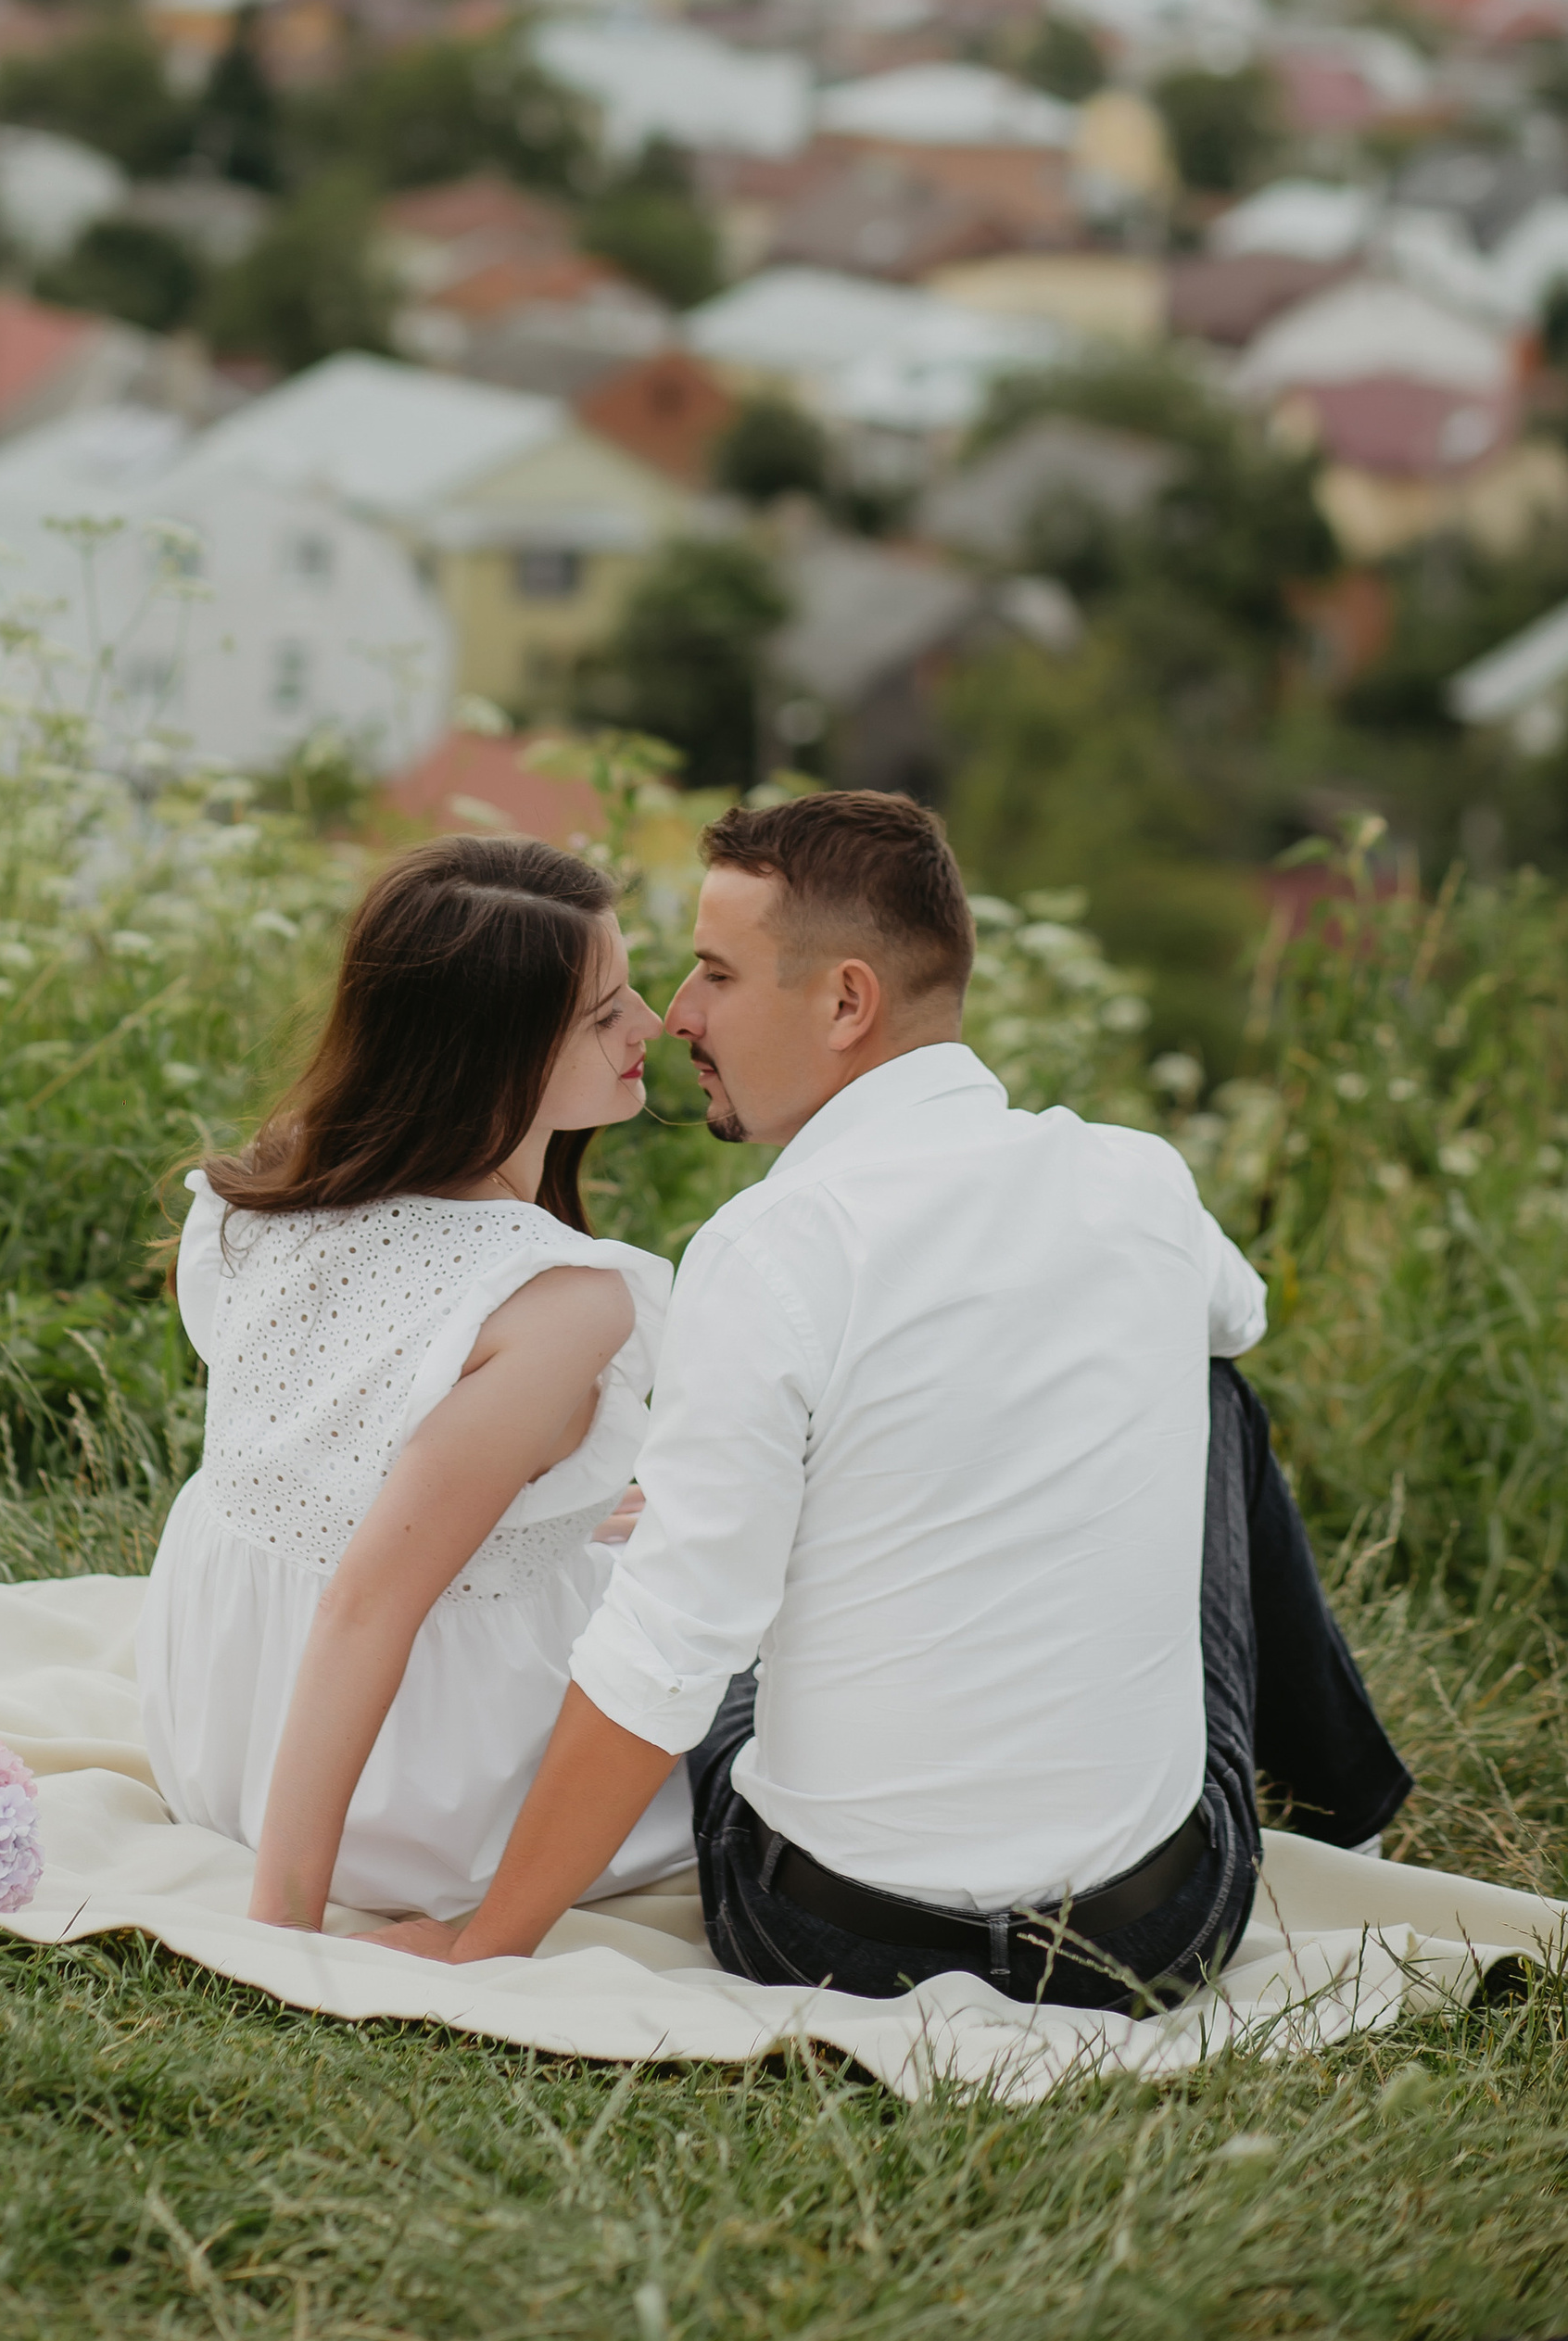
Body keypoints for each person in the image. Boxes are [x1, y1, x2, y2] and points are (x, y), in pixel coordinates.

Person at [369, 791, 1410, 2007]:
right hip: (1150, 1938)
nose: (681, 1016)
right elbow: (1240, 1320)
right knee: (1208, 1384)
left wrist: (481, 1948)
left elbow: (666, 1653)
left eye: (715, 973)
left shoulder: (769, 1248)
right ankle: (1354, 1820)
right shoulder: (1136, 1179)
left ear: (847, 1002)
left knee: (715, 1591)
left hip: (828, 1937)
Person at [136, 835, 696, 1926]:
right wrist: (282, 1927)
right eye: (603, 1014)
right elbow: (365, 1603)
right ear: (491, 1052)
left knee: (653, 1538)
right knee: (760, 1636)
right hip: (416, 1802)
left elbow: (357, 1488)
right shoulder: (562, 1302)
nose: (653, 1025)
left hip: (213, 1731)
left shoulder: (290, 1178)